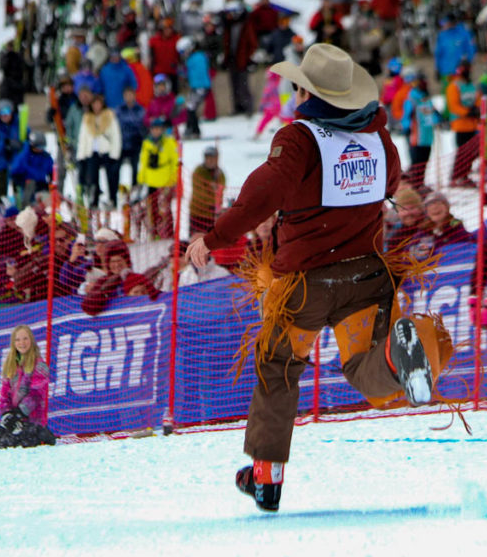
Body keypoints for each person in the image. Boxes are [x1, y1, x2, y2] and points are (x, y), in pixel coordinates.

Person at [185, 44, 451, 512]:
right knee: (362, 365)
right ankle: (398, 355)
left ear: (306, 90)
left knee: (278, 366)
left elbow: (259, 196)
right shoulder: (378, 136)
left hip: (305, 285)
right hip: (368, 275)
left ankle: (266, 479)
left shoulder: (299, 140)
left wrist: (214, 237)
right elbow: (390, 184)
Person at [0, 325, 55, 450]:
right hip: (15, 420)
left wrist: (18, 414)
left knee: (4, 445)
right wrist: (7, 413)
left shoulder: (39, 365)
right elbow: (4, 395)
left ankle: (41, 433)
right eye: (18, 340)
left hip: (32, 420)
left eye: (25, 339)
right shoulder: (11, 367)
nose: (21, 343)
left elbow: (36, 394)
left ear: (31, 341)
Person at [189, 145, 225, 235]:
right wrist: (212, 188)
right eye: (207, 158)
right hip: (198, 213)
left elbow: (221, 190)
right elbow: (200, 193)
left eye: (212, 158)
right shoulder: (199, 171)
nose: (209, 161)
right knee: (196, 240)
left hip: (212, 214)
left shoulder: (219, 173)